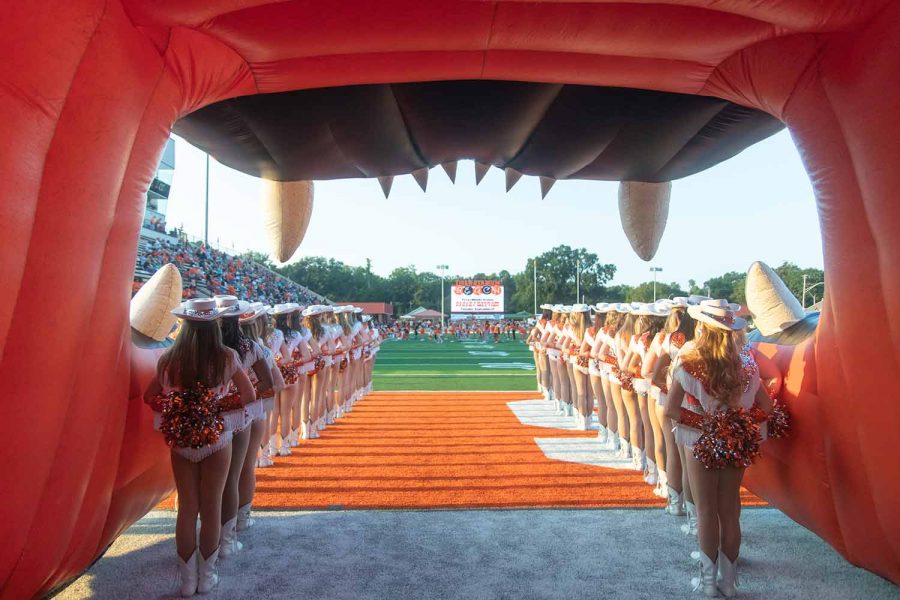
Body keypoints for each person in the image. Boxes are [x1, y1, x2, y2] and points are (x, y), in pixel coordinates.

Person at [143, 298, 255, 597]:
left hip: (180, 441)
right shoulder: (226, 357)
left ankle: (187, 581)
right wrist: (211, 410)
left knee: (186, 510)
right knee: (211, 506)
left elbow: (149, 396)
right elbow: (248, 394)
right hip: (217, 439)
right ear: (214, 325)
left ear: (185, 326)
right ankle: (207, 578)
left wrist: (180, 411)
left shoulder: (169, 359)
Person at [665, 299, 774, 597]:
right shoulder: (748, 363)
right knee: (730, 510)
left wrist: (711, 424)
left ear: (702, 327)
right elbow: (766, 406)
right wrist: (738, 423)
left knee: (707, 510)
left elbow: (672, 410)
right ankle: (729, 582)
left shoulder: (689, 362)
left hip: (700, 443)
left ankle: (708, 583)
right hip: (736, 443)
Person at [214, 295, 274, 558]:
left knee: (209, 479)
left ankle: (208, 534)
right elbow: (268, 382)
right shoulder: (250, 347)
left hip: (207, 417)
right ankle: (232, 532)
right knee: (241, 469)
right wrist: (238, 399)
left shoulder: (203, 347)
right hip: (240, 415)